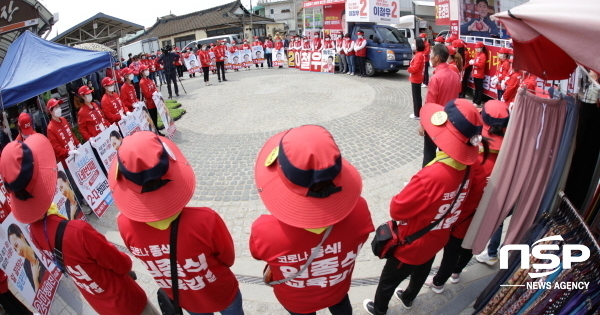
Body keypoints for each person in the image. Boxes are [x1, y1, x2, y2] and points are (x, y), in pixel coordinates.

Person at [1, 134, 159, 315]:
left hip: (100, 302)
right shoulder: (77, 231)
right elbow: (122, 264)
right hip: (127, 301)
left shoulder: (35, 233)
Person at [363, 99, 484, 315]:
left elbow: (397, 210)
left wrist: (408, 188)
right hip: (438, 236)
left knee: (389, 278)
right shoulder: (468, 167)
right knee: (423, 269)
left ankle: (380, 309)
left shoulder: (432, 174)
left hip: (412, 242)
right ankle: (409, 297)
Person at [111, 132, 244, 315]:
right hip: (220, 292)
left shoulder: (124, 224)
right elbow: (227, 259)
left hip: (185, 297)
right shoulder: (205, 220)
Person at [250, 125, 374, 315]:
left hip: (296, 297)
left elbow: (258, 254)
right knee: (341, 307)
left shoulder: (265, 229)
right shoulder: (359, 210)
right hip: (336, 286)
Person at [425, 100, 509, 293]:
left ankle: (438, 282)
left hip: (463, 216)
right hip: (484, 216)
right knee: (467, 249)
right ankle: (456, 272)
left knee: (452, 250)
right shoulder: (509, 159)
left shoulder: (473, 159)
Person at [420, 43, 461, 167]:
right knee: (445, 154)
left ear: (437, 58)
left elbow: (430, 104)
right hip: (450, 120)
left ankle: (426, 182)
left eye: (431, 55)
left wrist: (423, 124)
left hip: (435, 121)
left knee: (429, 154)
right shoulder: (455, 75)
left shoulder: (436, 78)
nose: (430, 57)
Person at [7, 223, 47, 292]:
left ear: (22, 236)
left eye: (16, 245)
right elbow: (37, 294)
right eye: (15, 249)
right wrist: (35, 279)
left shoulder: (37, 247)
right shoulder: (26, 266)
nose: (18, 252)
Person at [139, 64, 163, 135]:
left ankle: (157, 131)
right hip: (149, 103)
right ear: (142, 72)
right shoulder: (142, 82)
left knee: (155, 117)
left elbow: (154, 87)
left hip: (155, 101)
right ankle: (155, 132)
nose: (147, 71)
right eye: (145, 70)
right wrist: (153, 93)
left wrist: (156, 91)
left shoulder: (149, 79)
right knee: (152, 118)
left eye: (147, 69)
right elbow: (146, 93)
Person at [407, 37, 425, 120]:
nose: (413, 44)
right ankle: (417, 112)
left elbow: (415, 68)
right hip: (416, 77)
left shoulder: (419, 55)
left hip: (416, 77)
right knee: (416, 96)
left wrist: (409, 69)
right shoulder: (418, 54)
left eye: (414, 42)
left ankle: (417, 114)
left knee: (416, 96)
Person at [470, 42, 487, 107]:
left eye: (478, 48)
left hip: (479, 74)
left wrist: (474, 63)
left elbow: (481, 65)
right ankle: (475, 100)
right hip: (475, 73)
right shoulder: (477, 54)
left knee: (479, 89)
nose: (476, 49)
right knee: (476, 88)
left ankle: (478, 102)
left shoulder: (483, 55)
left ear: (481, 48)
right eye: (476, 48)